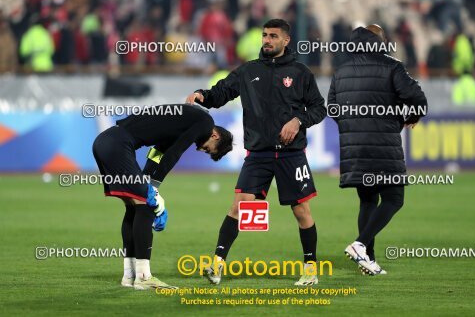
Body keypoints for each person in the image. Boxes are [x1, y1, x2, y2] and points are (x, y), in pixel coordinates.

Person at [186, 19, 327, 286]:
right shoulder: (248, 71)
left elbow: (319, 108)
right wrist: (202, 95)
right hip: (259, 154)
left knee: (301, 211)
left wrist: (298, 121)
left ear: (286, 40)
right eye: (264, 35)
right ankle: (216, 266)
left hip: (291, 154)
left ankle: (310, 269)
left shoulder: (300, 73)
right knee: (240, 205)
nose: (267, 40)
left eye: (273, 36)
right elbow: (221, 93)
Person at [92, 104, 233, 290]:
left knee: (134, 206)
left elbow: (157, 151)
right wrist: (154, 187)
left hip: (105, 141)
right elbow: (176, 152)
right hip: (118, 144)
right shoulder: (206, 122)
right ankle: (143, 277)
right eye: (209, 149)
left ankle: (130, 275)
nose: (201, 150)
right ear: (215, 136)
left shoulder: (183, 122)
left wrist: (148, 180)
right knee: (147, 206)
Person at [328, 24, 427, 275]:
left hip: (355, 148)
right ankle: (360, 245)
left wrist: (353, 127)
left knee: (368, 200)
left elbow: (333, 107)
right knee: (394, 198)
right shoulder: (392, 66)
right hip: (383, 144)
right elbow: (416, 98)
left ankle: (367, 260)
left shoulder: (341, 71)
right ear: (379, 40)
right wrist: (411, 116)